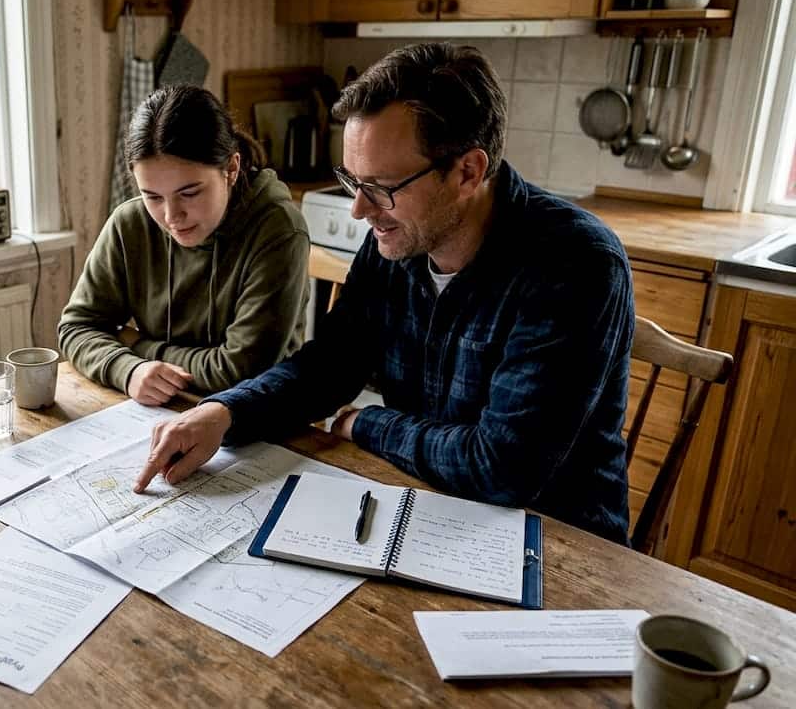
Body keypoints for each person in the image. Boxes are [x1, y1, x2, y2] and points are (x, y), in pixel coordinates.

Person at [135, 44, 636, 545]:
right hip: (426, 504)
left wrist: (368, 424)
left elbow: (500, 467)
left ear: (467, 172)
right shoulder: (399, 241)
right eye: (353, 180)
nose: (359, 209)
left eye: (381, 186)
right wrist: (225, 412)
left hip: (557, 542)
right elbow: (329, 365)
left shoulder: (575, 265)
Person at [59, 85, 310, 405]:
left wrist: (137, 345)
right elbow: (77, 327)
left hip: (255, 413)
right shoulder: (129, 223)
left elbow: (240, 370)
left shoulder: (279, 231)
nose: (171, 216)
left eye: (189, 193)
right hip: (158, 408)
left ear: (231, 169)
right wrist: (129, 369)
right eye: (152, 196)